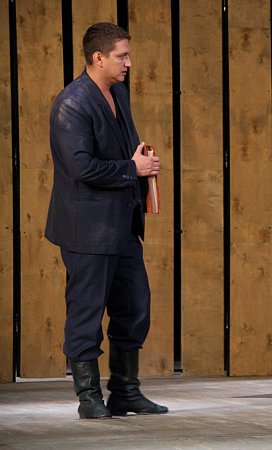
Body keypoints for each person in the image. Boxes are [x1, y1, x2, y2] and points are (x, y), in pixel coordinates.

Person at [46, 22, 167, 419]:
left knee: (134, 306)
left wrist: (142, 165)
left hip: (121, 225)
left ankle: (125, 391)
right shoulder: (72, 103)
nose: (128, 63)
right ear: (98, 57)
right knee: (86, 312)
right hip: (87, 229)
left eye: (128, 55)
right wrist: (132, 169)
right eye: (122, 56)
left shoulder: (118, 94)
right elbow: (80, 167)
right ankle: (89, 398)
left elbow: (126, 151)